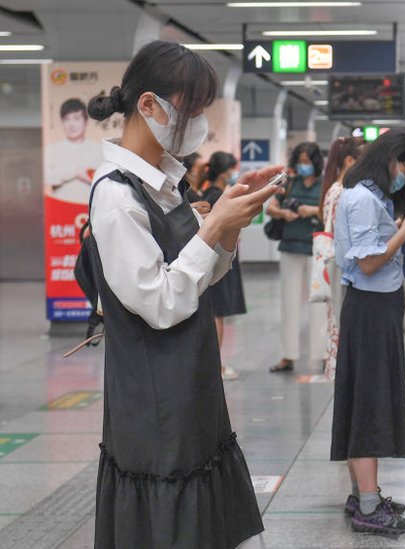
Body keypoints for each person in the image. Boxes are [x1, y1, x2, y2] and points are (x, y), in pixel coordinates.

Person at [85, 40, 278, 548]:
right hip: (154, 399)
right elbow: (160, 302)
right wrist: (212, 229)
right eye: (189, 110)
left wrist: (230, 225)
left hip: (190, 380)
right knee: (168, 526)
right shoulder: (117, 195)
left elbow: (198, 282)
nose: (197, 124)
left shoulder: (165, 184)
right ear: (148, 104)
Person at [331, 129, 405, 534]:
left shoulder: (370, 198)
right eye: (402, 170)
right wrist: (403, 235)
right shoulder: (360, 199)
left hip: (377, 307)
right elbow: (369, 263)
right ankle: (369, 508)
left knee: (370, 398)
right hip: (370, 309)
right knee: (369, 403)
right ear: (386, 159)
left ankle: (364, 494)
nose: (403, 179)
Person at [268, 142, 328, 373]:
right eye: (300, 161)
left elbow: (331, 209)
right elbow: (271, 207)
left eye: (307, 161)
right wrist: (284, 212)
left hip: (318, 249)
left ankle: (322, 354)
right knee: (289, 303)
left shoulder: (325, 184)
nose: (304, 166)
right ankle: (287, 356)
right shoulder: (289, 182)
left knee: (320, 304)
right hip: (290, 247)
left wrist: (311, 211)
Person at [319, 136, 366, 379]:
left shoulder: (335, 190)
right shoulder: (340, 192)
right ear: (349, 161)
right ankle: (342, 376)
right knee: (340, 322)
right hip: (341, 269)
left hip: (337, 268)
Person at [201, 151, 247, 382]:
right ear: (225, 171)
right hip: (215, 257)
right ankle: (215, 366)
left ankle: (215, 364)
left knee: (218, 313)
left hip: (218, 256)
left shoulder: (213, 193)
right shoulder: (216, 196)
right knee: (217, 314)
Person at [45, 98, 103, 203]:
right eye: (67, 119)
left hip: (90, 211)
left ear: (85, 121)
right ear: (62, 122)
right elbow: (46, 178)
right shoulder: (52, 149)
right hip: (60, 209)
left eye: (76, 118)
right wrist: (76, 171)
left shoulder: (99, 149)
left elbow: (104, 182)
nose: (71, 124)